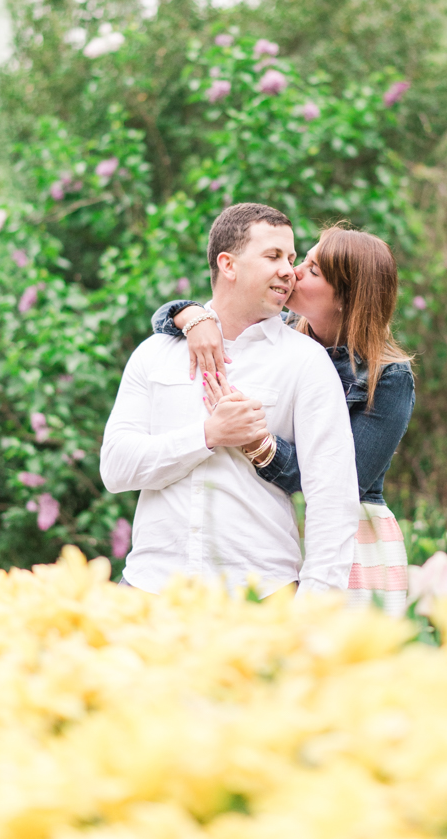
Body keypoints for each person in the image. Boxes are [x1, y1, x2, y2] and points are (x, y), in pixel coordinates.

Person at [100, 204, 360, 598]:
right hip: (149, 591)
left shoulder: (307, 362)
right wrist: (208, 435)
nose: (289, 271)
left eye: (291, 259)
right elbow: (116, 468)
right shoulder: (155, 354)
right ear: (228, 264)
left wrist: (314, 609)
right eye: (273, 256)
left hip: (260, 595)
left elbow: (333, 497)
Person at [152, 226, 415, 613]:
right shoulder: (281, 340)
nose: (293, 272)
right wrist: (192, 317)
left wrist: (258, 443)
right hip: (273, 530)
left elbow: (339, 484)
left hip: (351, 541)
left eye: (312, 270)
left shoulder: (387, 378)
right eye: (299, 261)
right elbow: (163, 319)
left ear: (346, 296)